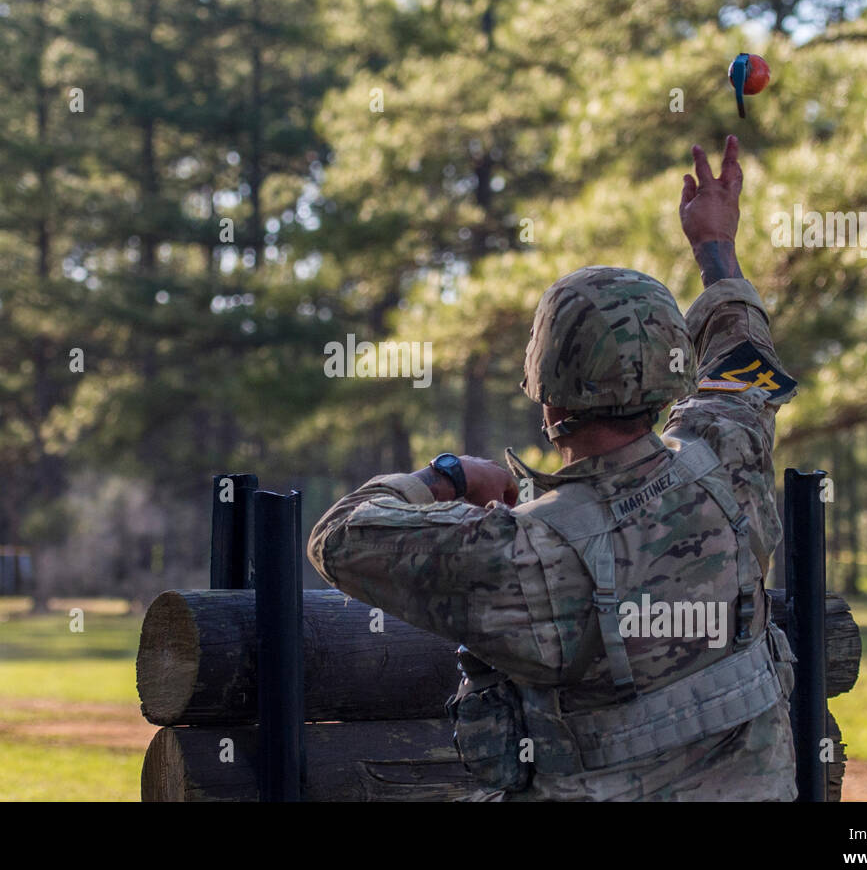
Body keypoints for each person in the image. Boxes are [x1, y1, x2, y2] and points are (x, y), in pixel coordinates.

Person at [307, 136, 799, 800]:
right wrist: (715, 243)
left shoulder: (527, 553)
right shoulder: (728, 457)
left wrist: (448, 476)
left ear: (548, 392)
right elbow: (741, 349)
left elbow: (337, 536)